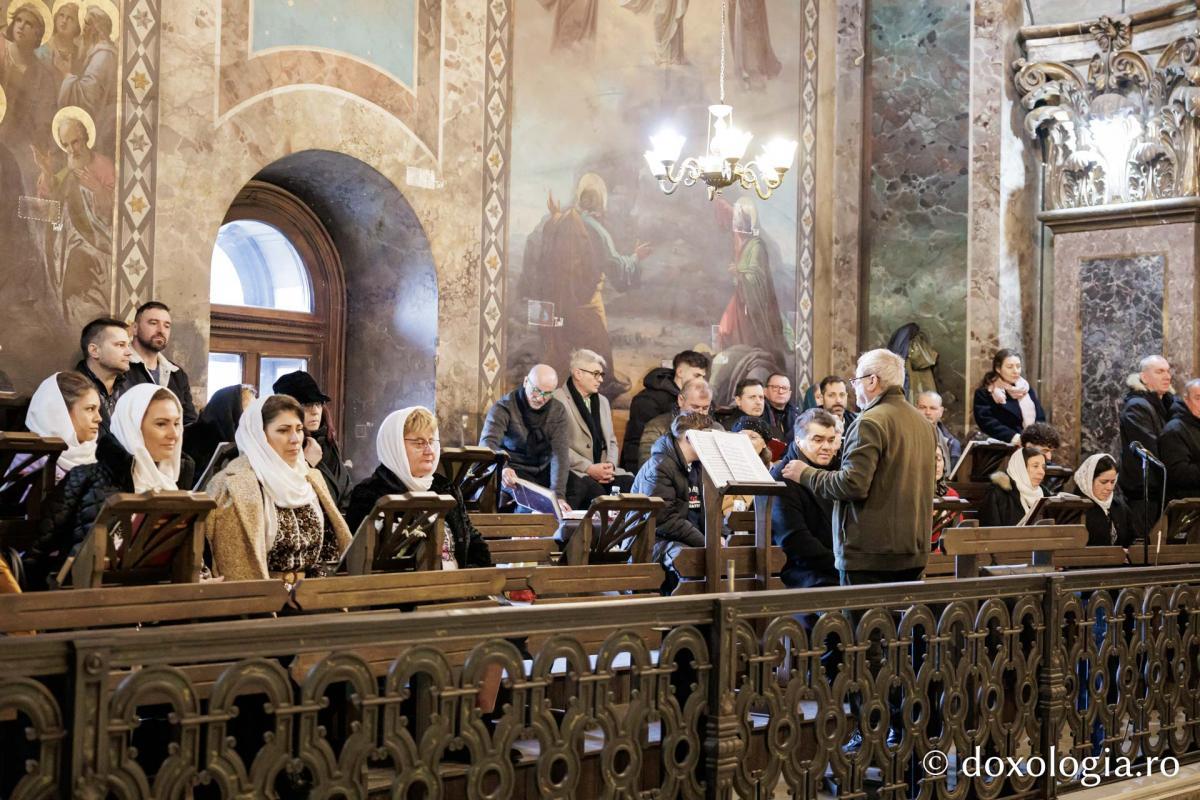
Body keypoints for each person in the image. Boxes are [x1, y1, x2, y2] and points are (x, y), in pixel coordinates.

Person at [782, 349, 936, 584]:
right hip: (913, 551)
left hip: (871, 555)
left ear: (872, 381)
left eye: (856, 381)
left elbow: (852, 484)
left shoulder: (870, 421)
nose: (854, 388)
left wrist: (805, 473)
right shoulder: (923, 423)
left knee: (862, 611)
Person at [25, 384, 191, 589]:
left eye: (177, 423)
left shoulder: (176, 484)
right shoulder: (86, 478)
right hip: (91, 598)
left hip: (164, 598)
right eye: (161, 424)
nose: (174, 434)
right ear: (133, 428)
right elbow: (38, 556)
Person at [206, 395, 351, 583]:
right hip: (259, 595)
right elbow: (230, 563)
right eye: (283, 430)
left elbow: (330, 548)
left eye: (299, 429)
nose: (295, 439)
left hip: (313, 593)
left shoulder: (311, 478)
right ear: (259, 435)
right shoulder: (231, 485)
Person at [346, 406, 492, 569]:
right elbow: (362, 560)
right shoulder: (370, 493)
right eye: (419, 443)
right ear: (395, 446)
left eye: (431, 441)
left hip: (458, 582)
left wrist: (472, 578)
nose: (429, 450)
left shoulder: (445, 488)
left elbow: (474, 543)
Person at [630, 412, 711, 593]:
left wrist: (720, 535)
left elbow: (707, 510)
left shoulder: (698, 466)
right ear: (689, 438)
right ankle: (682, 610)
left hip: (683, 537)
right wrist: (706, 541)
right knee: (690, 560)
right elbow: (664, 520)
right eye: (706, 438)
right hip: (651, 541)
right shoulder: (659, 466)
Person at [479, 364, 571, 515]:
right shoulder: (504, 407)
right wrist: (503, 468)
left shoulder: (558, 410)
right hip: (514, 471)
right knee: (532, 503)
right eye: (536, 391)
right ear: (526, 381)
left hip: (544, 470)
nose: (540, 398)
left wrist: (559, 495)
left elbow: (560, 455)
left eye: (547, 394)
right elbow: (487, 444)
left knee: (583, 489)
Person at [553, 349, 633, 509]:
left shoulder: (603, 401)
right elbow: (556, 446)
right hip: (576, 470)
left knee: (631, 484)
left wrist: (610, 466)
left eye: (601, 374)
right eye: (596, 374)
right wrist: (589, 468)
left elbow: (611, 441)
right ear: (578, 374)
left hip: (604, 470)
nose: (601, 379)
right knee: (593, 492)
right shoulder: (557, 400)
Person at [770, 408, 838, 589]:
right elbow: (794, 540)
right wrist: (840, 566)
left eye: (831, 440)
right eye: (818, 440)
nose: (827, 447)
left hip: (839, 568)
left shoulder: (838, 472)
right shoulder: (782, 476)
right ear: (799, 441)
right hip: (804, 574)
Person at [273, 371, 352, 515]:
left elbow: (345, 490)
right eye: (306, 405)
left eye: (318, 403)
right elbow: (284, 496)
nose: (315, 411)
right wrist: (306, 464)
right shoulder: (280, 446)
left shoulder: (328, 442)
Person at [620, 350, 710, 472]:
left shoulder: (704, 399)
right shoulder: (647, 400)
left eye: (703, 377)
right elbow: (636, 442)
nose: (701, 381)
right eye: (697, 375)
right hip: (652, 470)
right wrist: (638, 476)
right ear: (680, 372)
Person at [1119, 355, 1175, 536]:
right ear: (1144, 377)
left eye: (1168, 371)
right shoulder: (1137, 407)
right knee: (1145, 546)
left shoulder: (1168, 405)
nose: (1167, 376)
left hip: (1162, 492)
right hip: (1144, 494)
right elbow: (1151, 449)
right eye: (1160, 371)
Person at [124, 301, 197, 425]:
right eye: (153, 323)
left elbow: (188, 422)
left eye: (167, 326)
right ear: (135, 328)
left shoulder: (177, 373)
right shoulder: (120, 365)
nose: (161, 330)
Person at [24, 371, 100, 481]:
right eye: (90, 409)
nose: (99, 418)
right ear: (60, 413)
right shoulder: (27, 462)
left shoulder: (97, 457)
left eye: (98, 410)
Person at [637, 377, 723, 468]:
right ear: (681, 400)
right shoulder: (657, 427)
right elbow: (647, 466)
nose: (700, 412)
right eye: (695, 407)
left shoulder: (717, 429)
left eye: (705, 408)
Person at [182, 384, 255, 481]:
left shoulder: (246, 441)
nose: (250, 420)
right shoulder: (192, 439)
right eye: (247, 413)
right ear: (229, 411)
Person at [972, 349, 1045, 442]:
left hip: (1031, 443)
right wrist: (1014, 437)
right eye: (1010, 367)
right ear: (998, 369)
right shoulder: (986, 393)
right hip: (1002, 445)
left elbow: (1040, 418)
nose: (1016, 371)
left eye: (1018, 366)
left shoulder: (1026, 389)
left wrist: (1038, 440)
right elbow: (986, 421)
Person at [75, 317, 131, 428]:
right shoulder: (71, 391)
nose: (129, 352)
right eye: (120, 345)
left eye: (128, 346)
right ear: (94, 350)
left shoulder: (131, 389)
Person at [1074, 454, 1137, 548]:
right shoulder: (1075, 508)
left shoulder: (1120, 507)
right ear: (1089, 479)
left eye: (1112, 482)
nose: (1109, 488)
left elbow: (1133, 539)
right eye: (1104, 482)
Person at [980, 448, 1050, 527]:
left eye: (1043, 467)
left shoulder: (1045, 494)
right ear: (1020, 468)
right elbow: (989, 531)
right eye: (1035, 466)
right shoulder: (997, 492)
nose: (1041, 472)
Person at [1161, 379, 1200, 502]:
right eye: (1198, 398)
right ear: (1186, 400)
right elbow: (1178, 473)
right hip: (1188, 505)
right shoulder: (1175, 429)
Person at [915, 390, 962, 467]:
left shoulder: (951, 444)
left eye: (933, 408)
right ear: (915, 409)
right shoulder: (905, 438)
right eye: (922, 407)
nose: (927, 412)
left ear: (941, 411)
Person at [931, 446, 962, 548]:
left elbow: (958, 531)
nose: (936, 465)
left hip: (947, 551)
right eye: (931, 459)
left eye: (939, 459)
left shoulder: (951, 494)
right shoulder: (913, 495)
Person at [762, 372, 798, 443]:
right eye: (775, 387)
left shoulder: (797, 415)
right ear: (765, 391)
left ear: (789, 393)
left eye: (784, 388)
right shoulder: (759, 413)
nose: (780, 392)